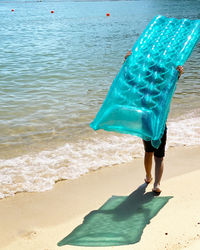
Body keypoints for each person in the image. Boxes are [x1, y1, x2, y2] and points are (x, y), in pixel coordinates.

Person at [124, 50, 184, 195]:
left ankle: (148, 177)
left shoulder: (142, 88)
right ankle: (156, 184)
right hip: (160, 125)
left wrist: (127, 63)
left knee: (148, 152)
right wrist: (178, 73)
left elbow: (129, 80)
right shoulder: (163, 89)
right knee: (159, 156)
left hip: (145, 123)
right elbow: (172, 82)